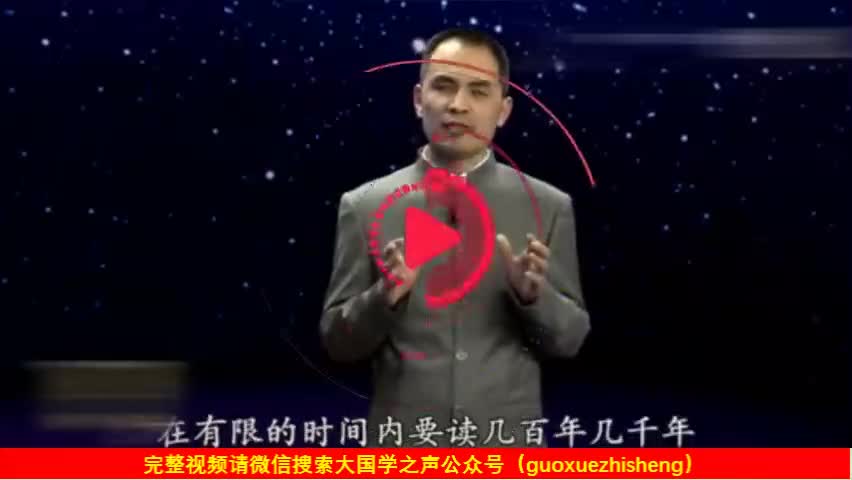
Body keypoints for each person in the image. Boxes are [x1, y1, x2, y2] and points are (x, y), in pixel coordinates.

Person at [320, 28, 590, 447]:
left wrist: (535, 298)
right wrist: (384, 297)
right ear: (418, 99)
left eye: (479, 91)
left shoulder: (548, 206)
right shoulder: (364, 206)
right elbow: (338, 343)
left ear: (503, 109)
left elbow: (569, 341)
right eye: (443, 86)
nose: (458, 105)